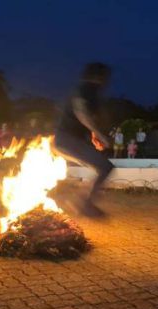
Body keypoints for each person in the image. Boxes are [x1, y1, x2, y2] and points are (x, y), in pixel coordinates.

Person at [53, 62, 113, 217]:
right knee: (105, 167)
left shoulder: (90, 91)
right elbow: (81, 111)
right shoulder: (86, 88)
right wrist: (98, 133)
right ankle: (84, 204)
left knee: (102, 167)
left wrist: (94, 136)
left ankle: (81, 202)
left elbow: (84, 117)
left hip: (67, 141)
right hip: (67, 140)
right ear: (99, 76)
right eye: (105, 76)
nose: (107, 81)